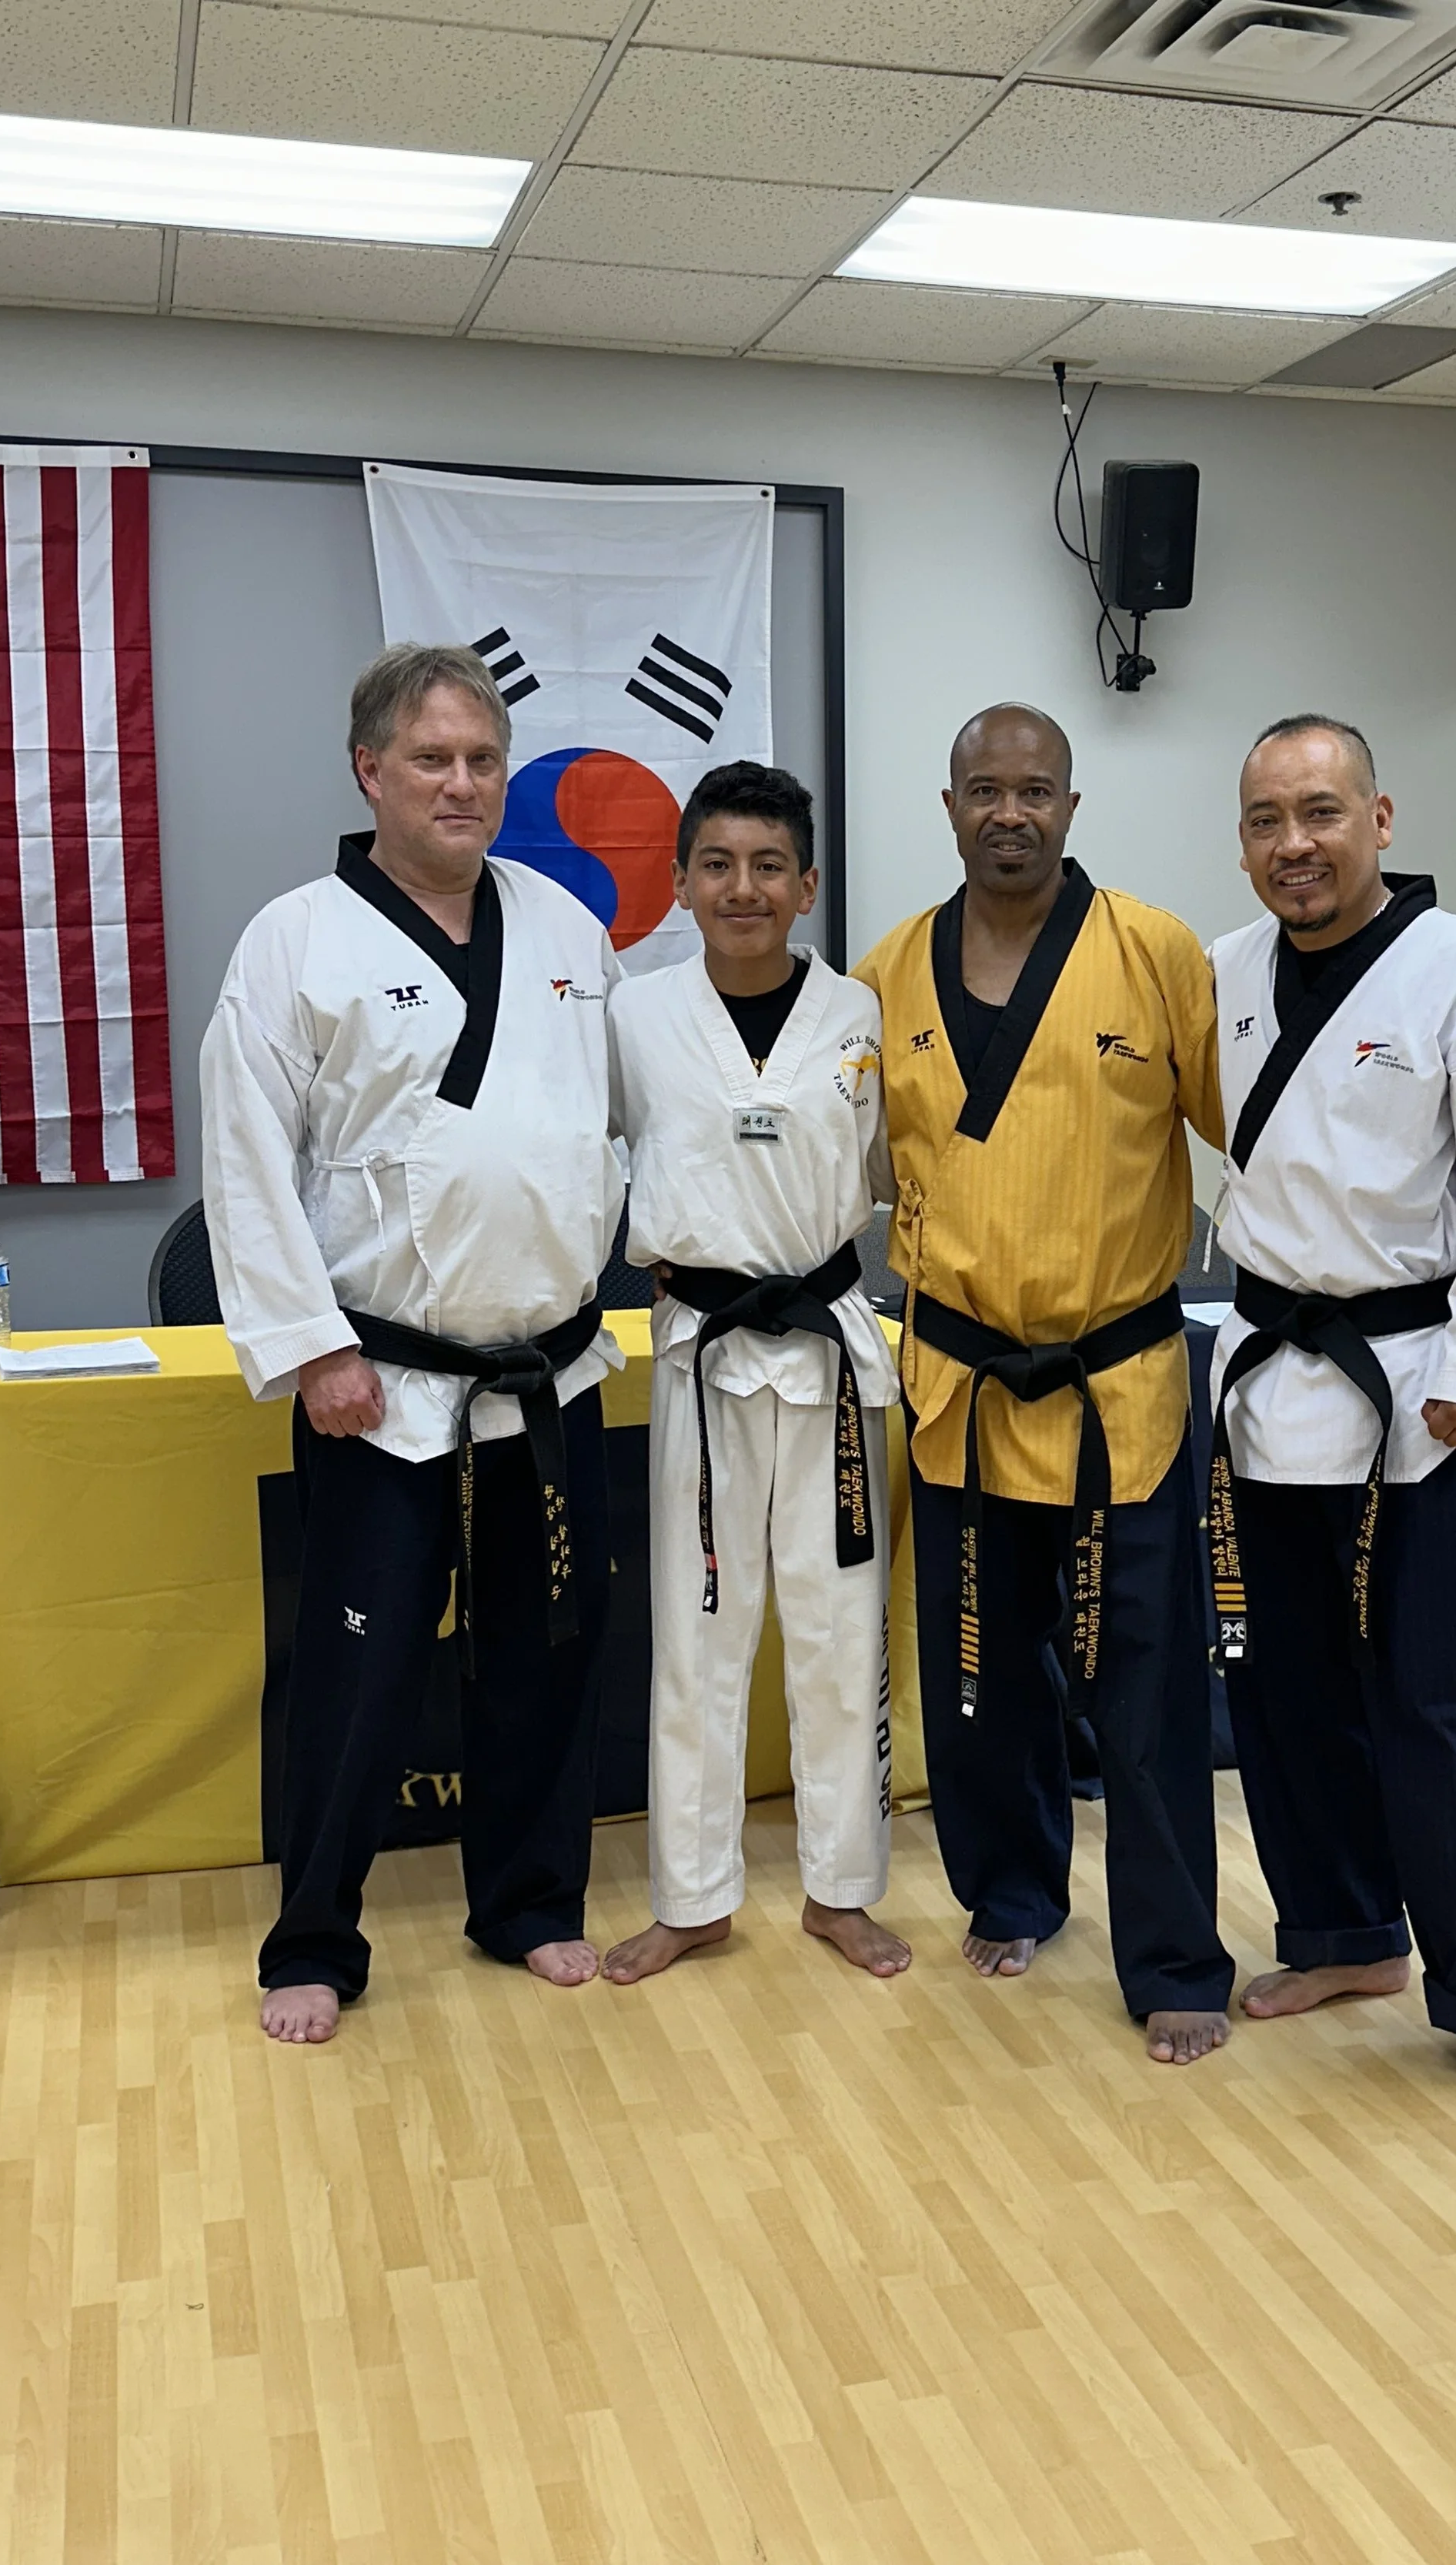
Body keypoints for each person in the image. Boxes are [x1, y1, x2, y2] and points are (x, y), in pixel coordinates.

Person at [202, 642, 626, 2045]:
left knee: (543, 1651)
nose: (462, 784)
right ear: (368, 769)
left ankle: (528, 1903)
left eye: (483, 759)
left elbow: (600, 1136)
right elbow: (250, 1162)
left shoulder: (567, 930)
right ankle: (314, 1935)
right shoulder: (296, 938)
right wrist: (312, 1347)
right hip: (377, 1382)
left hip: (544, 1369)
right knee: (360, 1665)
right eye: (432, 759)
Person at [1207, 714, 1456, 2125]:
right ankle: (1347, 1936)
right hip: (1273, 1376)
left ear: (1380, 817)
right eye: (1263, 820)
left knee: (1450, 1699)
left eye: (1319, 812)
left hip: (1423, 1389)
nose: (1292, 844)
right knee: (1286, 1693)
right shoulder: (1228, 975)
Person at [856, 704, 1234, 2066]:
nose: (1008, 813)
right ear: (947, 806)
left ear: (1072, 805)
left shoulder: (1156, 955)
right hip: (956, 1377)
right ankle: (1013, 1889)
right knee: (978, 1674)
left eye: (1035, 791)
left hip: (1116, 1384)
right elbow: (840, 1168)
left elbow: (1257, 1130)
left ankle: (1178, 1957)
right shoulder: (886, 973)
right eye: (983, 791)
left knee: (1144, 1684)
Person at [600, 760, 908, 1985]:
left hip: (832, 1353)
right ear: (679, 884)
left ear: (809, 885)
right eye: (718, 865)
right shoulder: (632, 1018)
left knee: (840, 1636)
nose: (744, 888)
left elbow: (896, 1173)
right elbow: (596, 1160)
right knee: (698, 1634)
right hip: (703, 1358)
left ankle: (841, 1891)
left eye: (769, 866)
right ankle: (693, 1896)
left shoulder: (864, 1020)